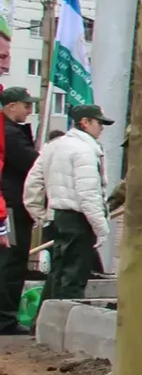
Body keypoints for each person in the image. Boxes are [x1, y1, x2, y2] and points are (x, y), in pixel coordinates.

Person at [25, 104, 113, 303]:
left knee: (56, 274)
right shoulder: (85, 150)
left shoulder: (54, 146)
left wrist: (42, 215)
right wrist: (101, 228)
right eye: (99, 123)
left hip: (56, 215)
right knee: (73, 277)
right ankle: (65, 327)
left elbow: (32, 184)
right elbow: (88, 194)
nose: (102, 128)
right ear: (85, 122)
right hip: (78, 219)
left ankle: (43, 325)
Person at [0, 88, 38, 333]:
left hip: (10, 205)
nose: (29, 110)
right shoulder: (10, 134)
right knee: (11, 262)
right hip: (10, 207)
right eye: (26, 105)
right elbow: (32, 162)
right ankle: (5, 319)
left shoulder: (12, 132)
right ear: (11, 106)